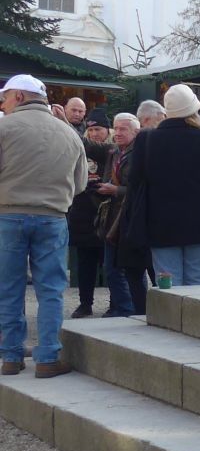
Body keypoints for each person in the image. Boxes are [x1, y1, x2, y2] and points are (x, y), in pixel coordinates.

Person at [0, 74, 89, 377]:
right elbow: (80, 184)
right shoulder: (69, 133)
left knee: (8, 288)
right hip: (53, 217)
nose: (3, 102)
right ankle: (48, 357)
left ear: (20, 97)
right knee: (51, 289)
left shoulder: (3, 127)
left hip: (8, 216)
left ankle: (11, 357)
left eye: (6, 96)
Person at [129, 84, 200, 288]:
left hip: (161, 224)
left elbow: (135, 178)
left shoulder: (147, 139)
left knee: (168, 285)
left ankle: (170, 321)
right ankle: (198, 321)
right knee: (199, 285)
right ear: (194, 110)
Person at [67, 109, 114, 318]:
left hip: (107, 215)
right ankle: (85, 303)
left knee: (111, 265)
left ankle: (116, 303)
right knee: (86, 264)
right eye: (91, 129)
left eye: (99, 129)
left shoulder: (112, 150)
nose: (94, 133)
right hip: (83, 214)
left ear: (107, 130)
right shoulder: (78, 148)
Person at [100, 112, 147, 316]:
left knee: (132, 269)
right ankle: (125, 309)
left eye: (122, 129)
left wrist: (116, 191)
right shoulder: (115, 152)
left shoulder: (140, 154)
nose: (117, 133)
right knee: (112, 269)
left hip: (130, 218)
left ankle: (133, 310)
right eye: (115, 128)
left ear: (135, 132)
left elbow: (142, 189)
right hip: (112, 218)